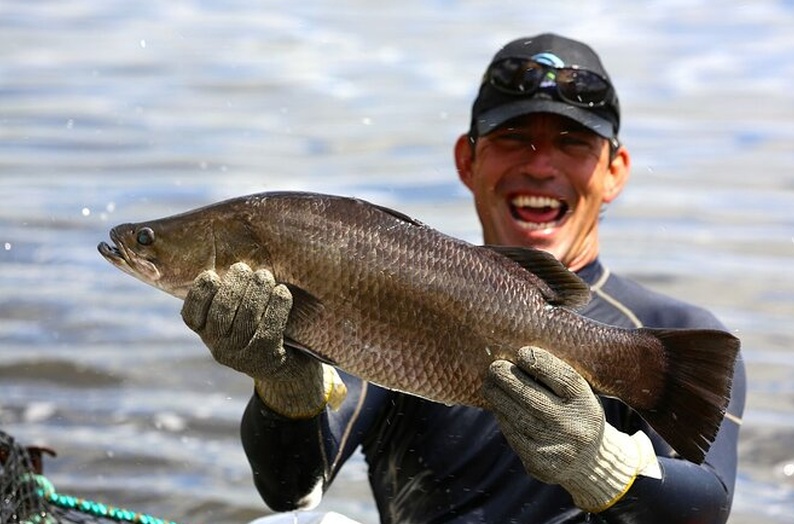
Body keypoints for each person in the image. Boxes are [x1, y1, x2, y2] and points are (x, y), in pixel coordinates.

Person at [180, 33, 746, 523]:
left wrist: (599, 459)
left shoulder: (671, 337)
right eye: (512, 138)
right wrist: (284, 391)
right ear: (467, 162)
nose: (540, 165)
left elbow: (704, 512)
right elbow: (291, 492)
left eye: (572, 143)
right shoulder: (382, 291)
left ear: (614, 171)